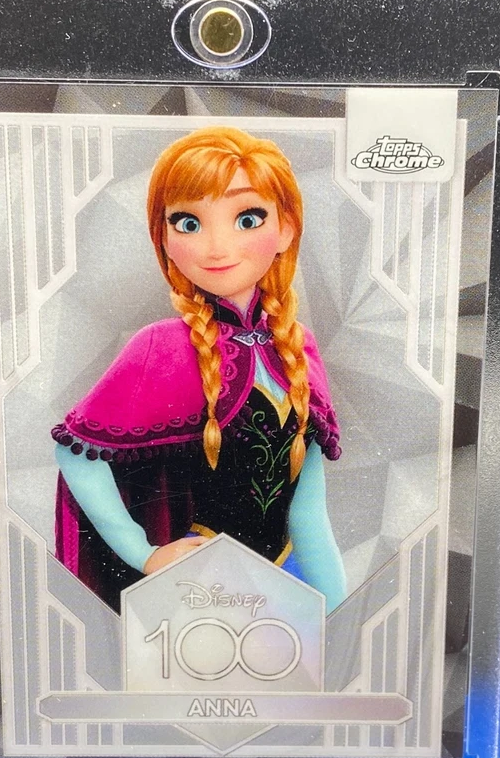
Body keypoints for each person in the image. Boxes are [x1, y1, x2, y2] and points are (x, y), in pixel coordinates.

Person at [51, 126, 346, 612]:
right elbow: (76, 452)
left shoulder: (298, 347)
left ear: (287, 228)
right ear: (164, 239)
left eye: (247, 218)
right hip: (201, 585)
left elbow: (309, 513)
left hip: (288, 577)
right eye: (188, 223)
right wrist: (143, 553)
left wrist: (339, 613)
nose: (216, 247)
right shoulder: (160, 347)